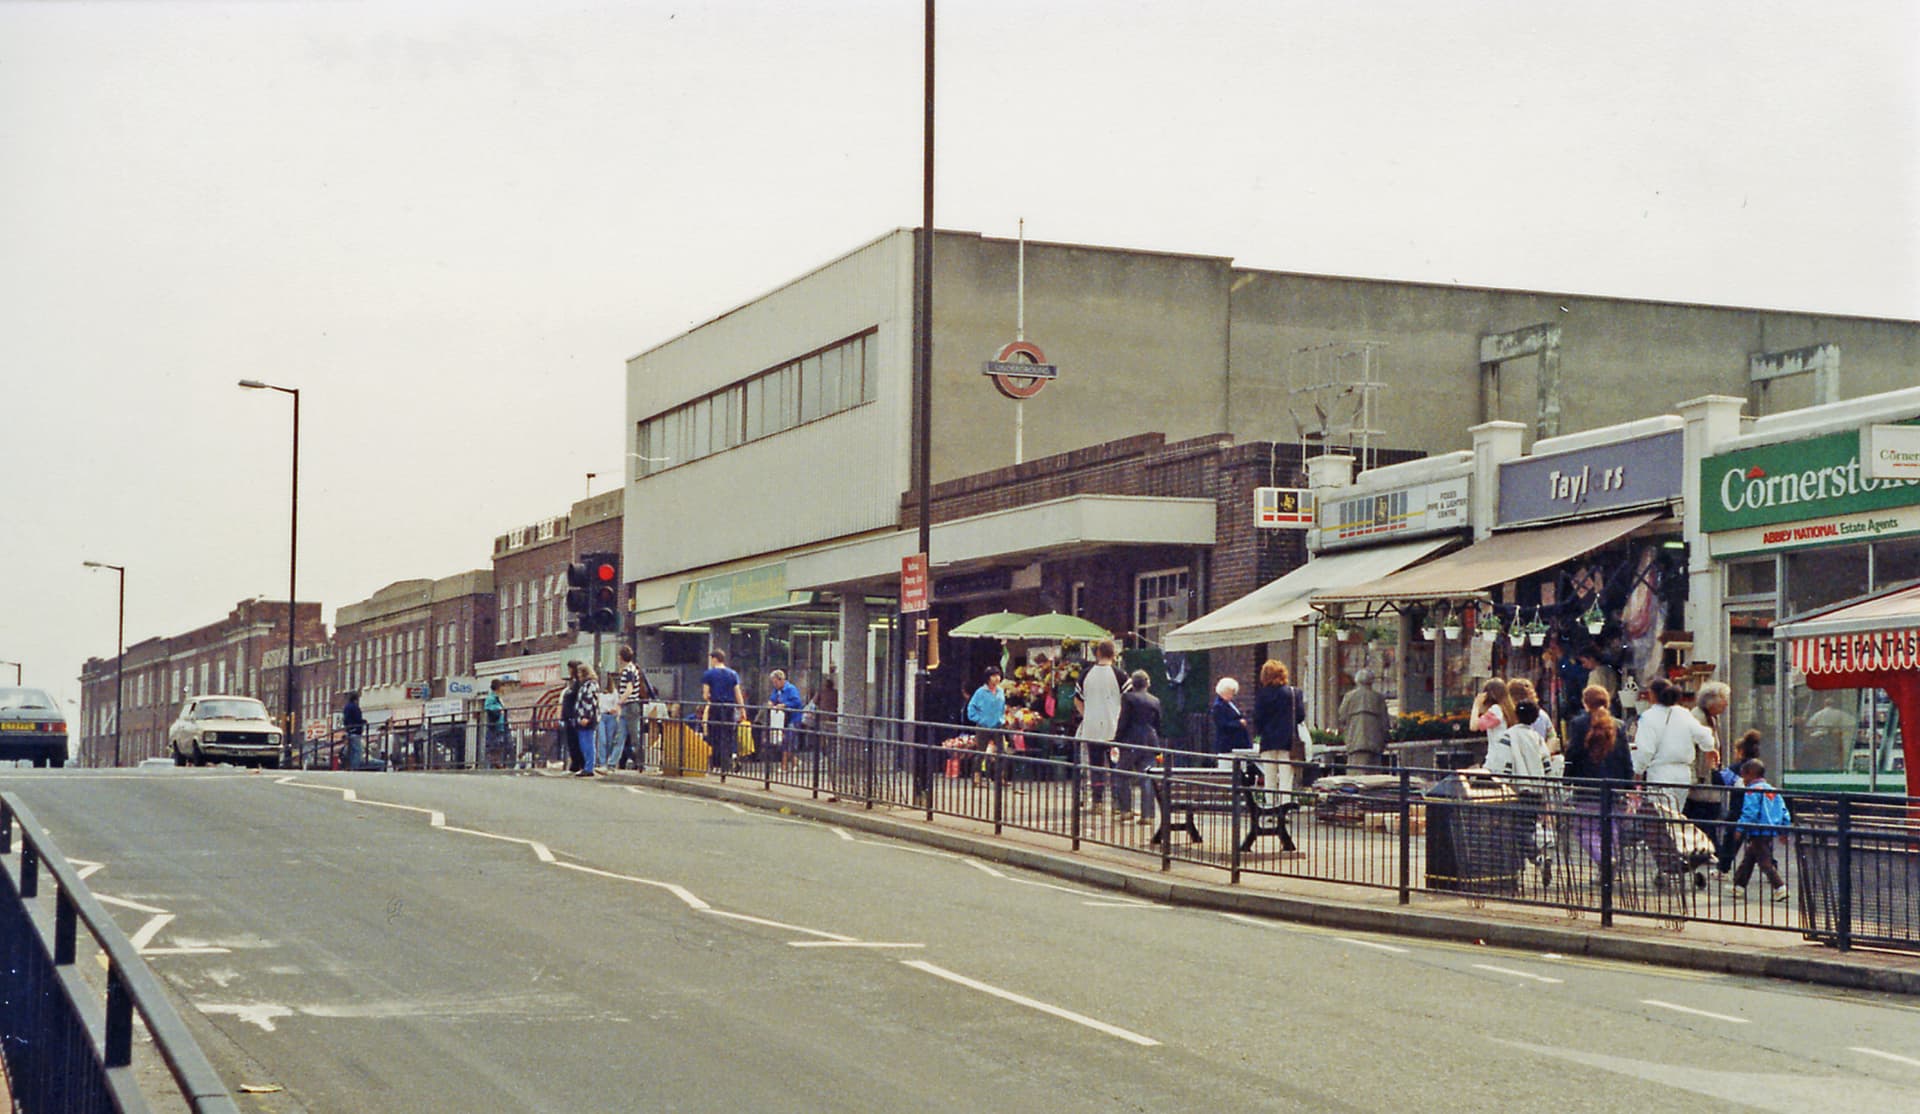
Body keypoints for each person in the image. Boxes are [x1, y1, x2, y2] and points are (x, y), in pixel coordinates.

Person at [1631, 681, 1716, 815]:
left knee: (1663, 818)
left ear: (1652, 695)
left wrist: (1638, 772)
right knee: (1676, 816)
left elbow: (1645, 750)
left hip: (1660, 773)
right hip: (1683, 774)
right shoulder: (1684, 714)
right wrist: (1710, 748)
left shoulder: (1648, 717)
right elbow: (1704, 735)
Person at [1727, 758, 1791, 902]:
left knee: (1764, 862)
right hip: (1769, 830)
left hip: (1757, 830)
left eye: (1743, 776)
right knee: (1749, 858)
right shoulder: (1773, 791)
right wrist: (1784, 831)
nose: (1743, 780)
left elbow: (1750, 812)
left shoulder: (1752, 791)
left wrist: (1740, 827)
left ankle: (1780, 887)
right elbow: (1784, 811)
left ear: (1750, 774)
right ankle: (1738, 886)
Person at [1075, 640, 1124, 811]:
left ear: (1097, 654)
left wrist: (1086, 715)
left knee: (1096, 766)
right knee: (1116, 767)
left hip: (1092, 728)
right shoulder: (1120, 675)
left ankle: (1097, 802)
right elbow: (1128, 700)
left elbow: (1077, 699)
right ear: (1114, 654)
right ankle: (1118, 804)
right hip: (1114, 729)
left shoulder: (1085, 674)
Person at [1111, 670, 1162, 827]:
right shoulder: (1155, 700)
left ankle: (1126, 811)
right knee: (1146, 778)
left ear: (1133, 684)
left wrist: (1117, 740)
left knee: (1121, 775)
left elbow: (1124, 720)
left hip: (1131, 741)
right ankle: (1148, 815)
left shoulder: (1128, 698)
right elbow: (1158, 723)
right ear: (1147, 683)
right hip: (1150, 741)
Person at [1715, 730, 1765, 874]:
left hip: (1737, 809)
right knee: (1759, 842)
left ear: (1741, 752)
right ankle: (1771, 866)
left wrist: (1714, 768)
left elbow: (1720, 779)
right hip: (1756, 809)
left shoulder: (1737, 768)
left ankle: (1723, 868)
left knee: (1730, 841)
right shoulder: (1758, 766)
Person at [1251, 662, 1304, 793]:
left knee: (1270, 777)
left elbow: (1257, 718)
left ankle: (1271, 806)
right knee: (1286, 778)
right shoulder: (1294, 693)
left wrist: (1260, 733)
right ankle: (1284, 806)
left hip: (1268, 741)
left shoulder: (1262, 695)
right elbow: (1300, 716)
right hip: (1288, 741)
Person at [1563, 685, 1632, 783]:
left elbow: (1573, 753)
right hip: (1614, 785)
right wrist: (1629, 784)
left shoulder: (1578, 723)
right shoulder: (1619, 725)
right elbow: (1625, 757)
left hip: (1586, 784)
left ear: (1585, 703)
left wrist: (1567, 779)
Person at [700, 649, 747, 773]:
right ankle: (727, 763)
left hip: (715, 706)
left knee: (714, 734)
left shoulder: (708, 674)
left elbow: (705, 695)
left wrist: (711, 697)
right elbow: (738, 693)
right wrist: (742, 709)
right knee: (728, 735)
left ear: (714, 659)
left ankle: (715, 763)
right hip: (729, 708)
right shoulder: (733, 674)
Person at [1337, 669, 1389, 772]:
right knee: (1374, 774)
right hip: (1375, 742)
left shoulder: (1350, 696)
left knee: (1356, 773)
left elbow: (1342, 716)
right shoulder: (1378, 698)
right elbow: (1385, 722)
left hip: (1355, 740)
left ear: (1357, 681)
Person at [614, 646, 650, 772]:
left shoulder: (629, 671)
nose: (618, 658)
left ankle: (641, 763)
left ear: (622, 657)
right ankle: (612, 764)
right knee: (621, 736)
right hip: (628, 706)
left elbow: (629, 689)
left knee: (634, 737)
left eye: (619, 655)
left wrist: (619, 702)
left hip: (630, 705)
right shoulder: (630, 669)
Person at [767, 669, 805, 773]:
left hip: (793, 718)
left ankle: (784, 766)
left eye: (775, 682)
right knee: (785, 741)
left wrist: (785, 705)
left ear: (781, 680)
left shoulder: (791, 689)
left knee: (788, 741)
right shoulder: (777, 690)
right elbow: (773, 698)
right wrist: (771, 703)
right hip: (782, 719)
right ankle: (795, 761)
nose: (774, 684)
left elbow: (797, 702)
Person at [1470, 678, 1518, 755]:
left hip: (1497, 757)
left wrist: (1476, 706)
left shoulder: (1496, 710)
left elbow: (1474, 726)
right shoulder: (1508, 710)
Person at [571, 663, 601, 777]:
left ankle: (589, 767)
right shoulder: (584, 684)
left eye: (580, 672)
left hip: (587, 718)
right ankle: (587, 766)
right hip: (582, 717)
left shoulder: (590, 685)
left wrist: (586, 717)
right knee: (584, 742)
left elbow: (589, 701)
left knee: (587, 742)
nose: (578, 675)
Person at [1212, 677, 1251, 753]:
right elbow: (1222, 725)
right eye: (1230, 692)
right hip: (1227, 744)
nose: (1232, 695)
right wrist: (1239, 723)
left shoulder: (1229, 703)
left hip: (1237, 744)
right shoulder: (1219, 706)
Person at [483, 680, 509, 769]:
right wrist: (498, 710)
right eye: (502, 686)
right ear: (499, 687)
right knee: (494, 745)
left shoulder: (498, 698)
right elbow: (488, 708)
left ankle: (497, 762)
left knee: (500, 745)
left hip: (501, 726)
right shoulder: (491, 698)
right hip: (495, 726)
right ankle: (493, 763)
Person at [342, 690, 366, 771]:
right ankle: (355, 768)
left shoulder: (346, 707)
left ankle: (351, 767)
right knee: (357, 751)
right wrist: (363, 722)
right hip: (355, 731)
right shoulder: (355, 707)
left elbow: (346, 719)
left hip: (349, 730)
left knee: (351, 751)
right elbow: (357, 719)